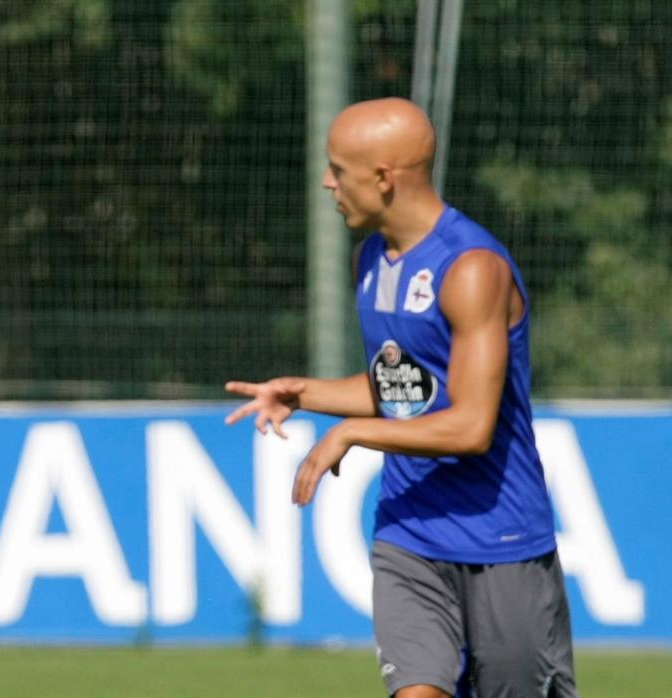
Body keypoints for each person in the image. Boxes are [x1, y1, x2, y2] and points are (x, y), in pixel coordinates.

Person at [225, 97, 575, 697]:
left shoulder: (471, 268)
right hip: (408, 534)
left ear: (384, 178)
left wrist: (352, 432)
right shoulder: (371, 259)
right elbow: (406, 394)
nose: (327, 182)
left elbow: (469, 426)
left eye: (339, 168)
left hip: (502, 542)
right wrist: (304, 393)